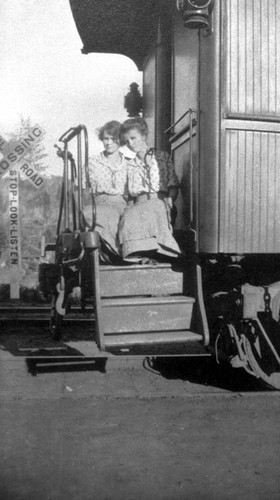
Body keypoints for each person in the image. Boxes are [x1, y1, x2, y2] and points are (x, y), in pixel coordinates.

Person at [118, 117, 181, 264]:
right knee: (128, 215)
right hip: (138, 205)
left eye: (133, 138)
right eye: (127, 141)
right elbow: (130, 196)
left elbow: (173, 185)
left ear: (144, 136)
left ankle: (160, 251)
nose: (130, 144)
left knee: (155, 208)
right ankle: (138, 254)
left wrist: (171, 198)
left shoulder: (162, 157)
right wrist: (128, 207)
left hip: (159, 201)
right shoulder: (129, 165)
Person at [84, 120, 129, 264]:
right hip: (99, 203)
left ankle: (128, 253)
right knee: (94, 215)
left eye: (113, 139)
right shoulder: (92, 162)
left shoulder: (129, 163)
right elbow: (80, 188)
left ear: (120, 140)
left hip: (122, 203)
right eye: (105, 138)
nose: (108, 143)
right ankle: (116, 254)